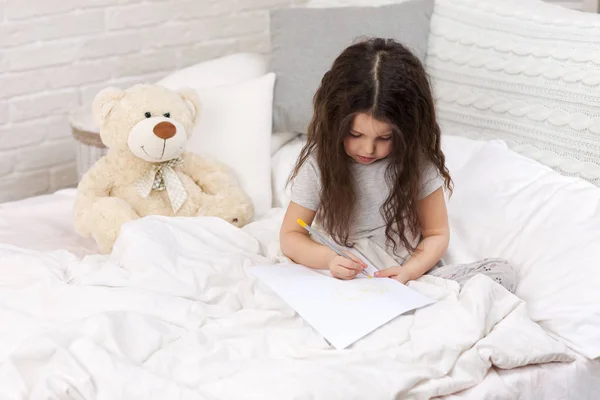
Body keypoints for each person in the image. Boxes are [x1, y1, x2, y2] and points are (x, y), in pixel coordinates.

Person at [279, 38, 516, 293]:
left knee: (500, 276)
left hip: (404, 272)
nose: (368, 150)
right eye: (356, 135)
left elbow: (436, 233)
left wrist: (409, 271)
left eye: (384, 138)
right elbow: (291, 236)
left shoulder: (417, 163)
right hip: (348, 274)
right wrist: (328, 260)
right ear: (335, 121)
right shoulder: (320, 162)